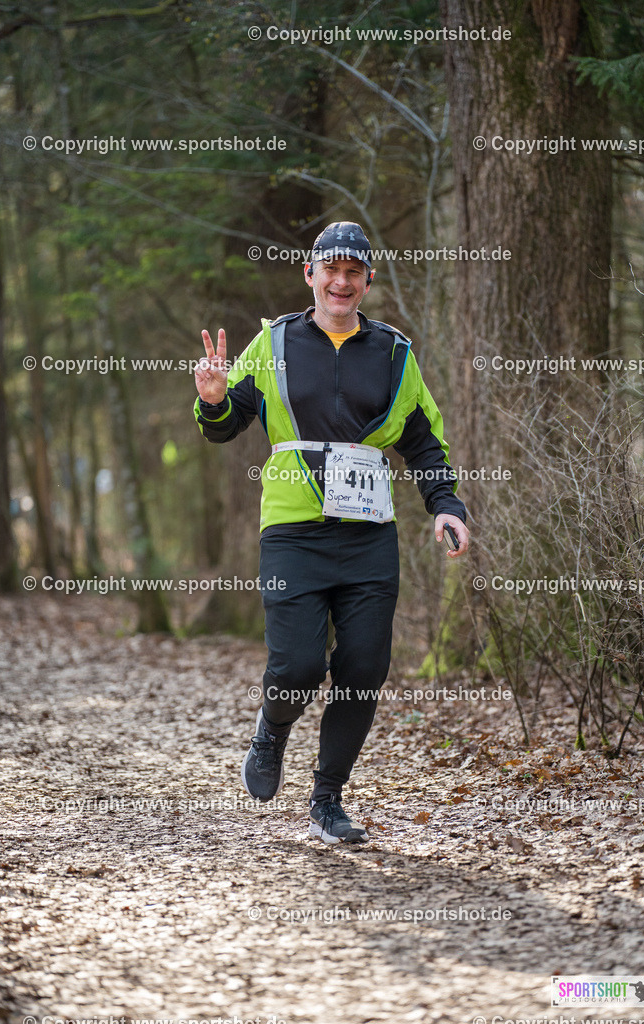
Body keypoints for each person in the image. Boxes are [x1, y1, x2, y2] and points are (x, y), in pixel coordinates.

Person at [194, 221, 469, 845]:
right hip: (292, 530)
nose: (341, 281)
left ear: (367, 280)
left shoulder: (395, 353)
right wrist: (213, 399)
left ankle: (327, 799)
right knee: (295, 665)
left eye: (354, 272)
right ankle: (272, 725)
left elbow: (423, 439)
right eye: (330, 269)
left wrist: (445, 504)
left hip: (368, 535)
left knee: (364, 666)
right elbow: (224, 424)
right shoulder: (273, 344)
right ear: (310, 275)